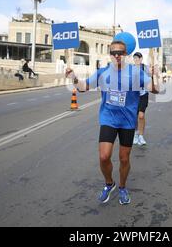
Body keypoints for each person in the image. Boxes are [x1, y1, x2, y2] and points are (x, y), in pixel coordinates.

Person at [65, 41, 159, 205]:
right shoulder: (103, 72)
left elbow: (155, 89)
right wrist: (73, 77)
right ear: (110, 54)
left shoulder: (136, 72)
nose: (117, 55)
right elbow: (83, 87)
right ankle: (110, 183)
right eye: (113, 52)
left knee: (124, 158)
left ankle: (122, 187)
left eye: (120, 52)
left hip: (128, 121)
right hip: (108, 118)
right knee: (104, 156)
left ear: (126, 54)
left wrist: (155, 75)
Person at [132, 52, 150, 146]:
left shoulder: (145, 68)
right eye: (135, 58)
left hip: (143, 94)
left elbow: (150, 78)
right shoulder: (130, 69)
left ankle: (141, 136)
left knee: (141, 115)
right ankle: (135, 133)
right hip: (133, 96)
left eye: (138, 58)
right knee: (134, 116)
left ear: (141, 59)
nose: (136, 60)